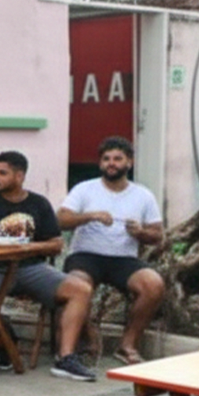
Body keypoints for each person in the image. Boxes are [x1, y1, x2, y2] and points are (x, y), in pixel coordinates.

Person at [0, 151, 95, 381]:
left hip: (30, 267)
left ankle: (66, 358)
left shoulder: (38, 203)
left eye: (2, 173)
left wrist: (28, 248)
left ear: (19, 176)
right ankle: (6, 340)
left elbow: (56, 244)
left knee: (81, 289)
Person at [58, 136, 165, 365]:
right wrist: (89, 216)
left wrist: (140, 232)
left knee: (153, 284)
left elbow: (157, 235)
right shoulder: (84, 189)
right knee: (77, 285)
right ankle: (88, 340)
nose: (111, 163)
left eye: (117, 159)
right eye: (106, 159)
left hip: (124, 259)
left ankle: (127, 345)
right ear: (100, 164)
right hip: (85, 256)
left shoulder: (143, 195)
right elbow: (61, 220)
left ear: (129, 163)